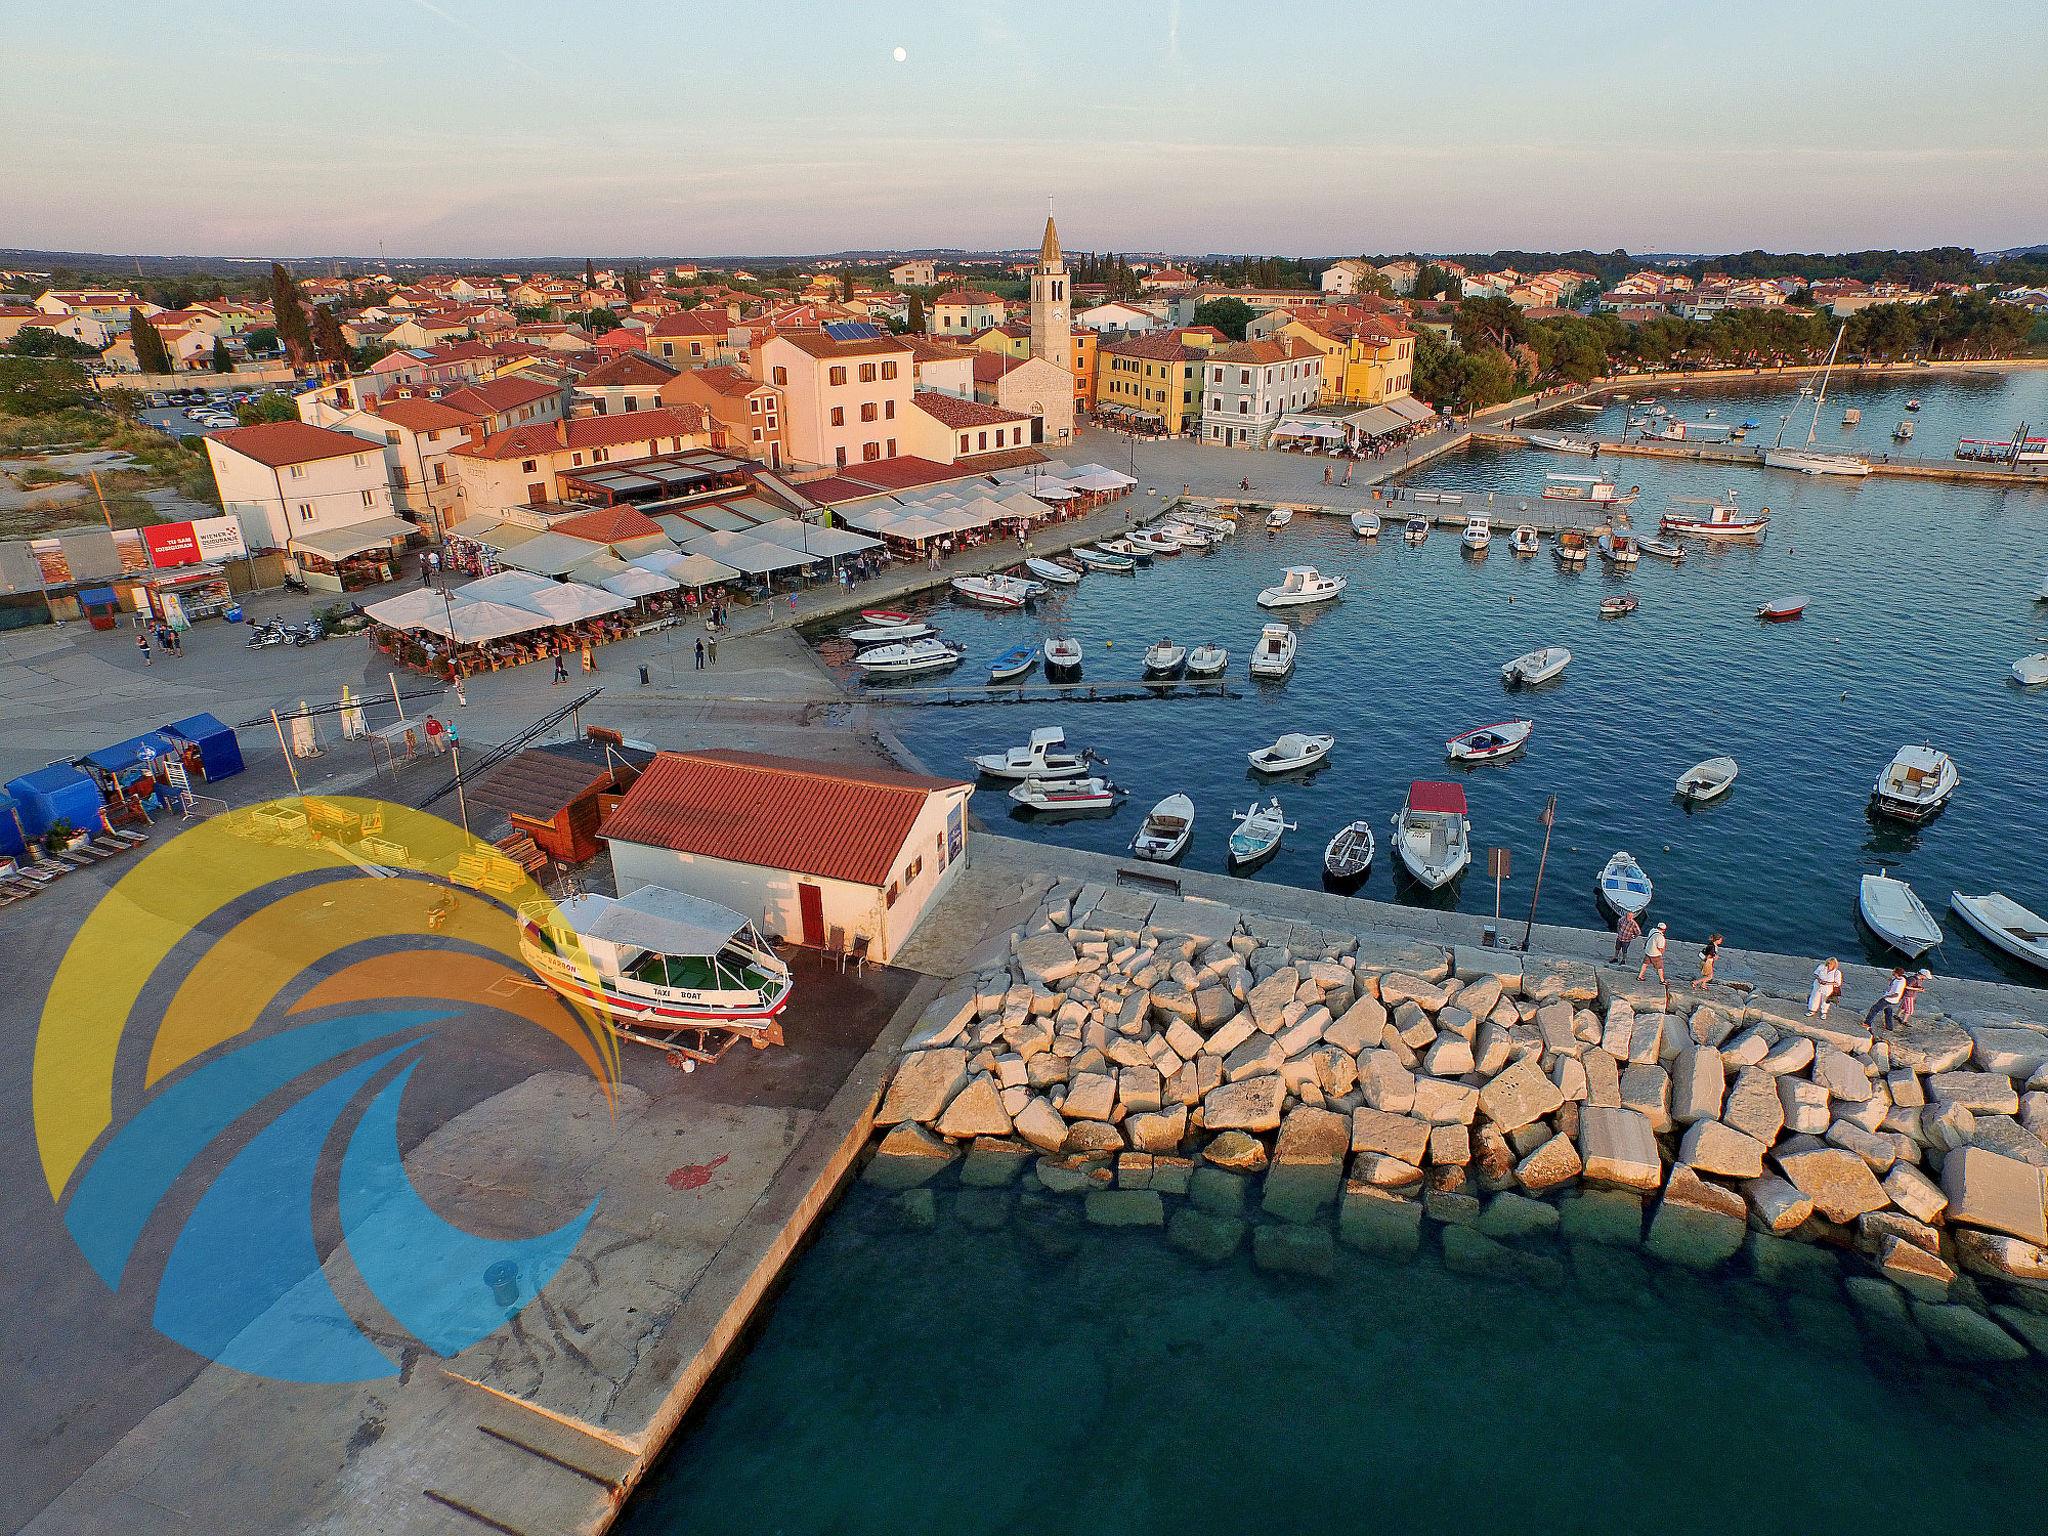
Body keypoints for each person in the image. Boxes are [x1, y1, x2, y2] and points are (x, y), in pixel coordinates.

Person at [1638, 921, 1667, 985]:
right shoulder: (1660, 937)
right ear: (1664, 930)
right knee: (1660, 967)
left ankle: (1640, 976)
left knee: (1645, 964)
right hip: (1655, 954)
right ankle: (1662, 980)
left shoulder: (1652, 930)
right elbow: (1660, 947)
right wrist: (1662, 953)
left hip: (1648, 951)